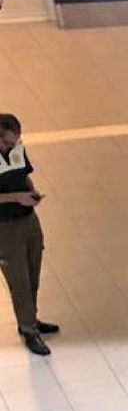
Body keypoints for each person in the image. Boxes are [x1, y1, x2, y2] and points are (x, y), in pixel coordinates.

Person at [0, 114, 59, 357]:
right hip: (5, 227)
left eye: (16, 141)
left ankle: (31, 319)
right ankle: (28, 330)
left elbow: (23, 174)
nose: (14, 146)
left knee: (33, 270)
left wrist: (31, 190)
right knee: (19, 280)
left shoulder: (17, 149)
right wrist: (15, 198)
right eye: (8, 143)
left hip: (27, 220)